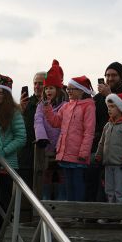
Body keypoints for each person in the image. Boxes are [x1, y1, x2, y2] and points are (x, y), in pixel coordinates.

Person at [44, 76, 96, 201]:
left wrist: (84, 152)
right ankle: (71, 211)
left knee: (77, 183)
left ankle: (78, 212)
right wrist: (47, 109)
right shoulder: (66, 106)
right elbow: (55, 122)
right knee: (68, 183)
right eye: (68, 89)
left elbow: (89, 131)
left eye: (72, 89)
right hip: (66, 152)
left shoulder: (89, 106)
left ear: (81, 90)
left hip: (78, 154)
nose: (69, 91)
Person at [0, 74, 26, 226]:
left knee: (3, 202)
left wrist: (2, 152)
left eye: (0, 93)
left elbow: (21, 138)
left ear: (6, 95)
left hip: (7, 165)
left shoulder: (14, 113)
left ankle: (2, 235)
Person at [85, 62, 122, 201]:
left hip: (120, 150)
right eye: (107, 75)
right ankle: (93, 211)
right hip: (101, 146)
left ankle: (116, 214)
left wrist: (110, 95)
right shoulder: (98, 97)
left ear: (121, 77)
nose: (109, 78)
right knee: (97, 177)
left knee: (118, 187)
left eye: (114, 75)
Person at [34, 60, 67, 200]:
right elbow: (38, 121)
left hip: (61, 147)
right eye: (47, 88)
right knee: (45, 175)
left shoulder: (66, 105)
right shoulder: (41, 105)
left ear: (58, 89)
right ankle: (45, 200)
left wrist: (61, 144)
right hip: (46, 145)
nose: (48, 91)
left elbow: (65, 126)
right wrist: (41, 138)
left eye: (51, 88)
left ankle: (62, 200)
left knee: (61, 175)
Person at [95, 93, 122, 203]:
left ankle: (121, 215)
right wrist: (98, 155)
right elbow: (101, 143)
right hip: (108, 163)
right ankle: (110, 215)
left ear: (121, 107)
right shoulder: (107, 126)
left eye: (112, 106)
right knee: (109, 190)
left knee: (120, 190)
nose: (109, 109)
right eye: (108, 106)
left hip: (120, 164)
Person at [18, 71, 46, 189]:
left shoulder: (52, 102)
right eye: (35, 83)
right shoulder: (26, 102)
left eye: (40, 84)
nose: (37, 87)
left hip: (43, 149)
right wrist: (21, 110)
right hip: (26, 151)